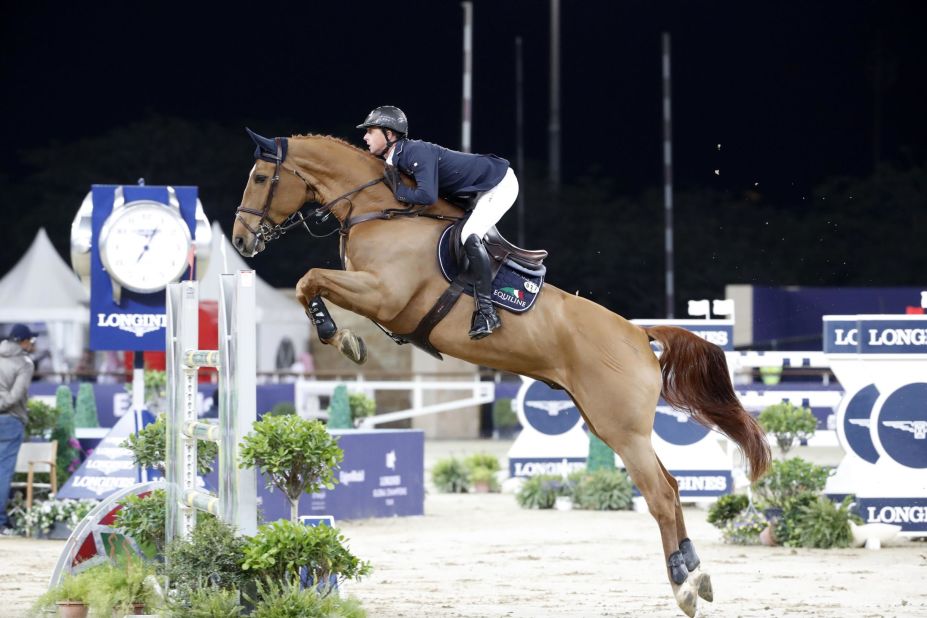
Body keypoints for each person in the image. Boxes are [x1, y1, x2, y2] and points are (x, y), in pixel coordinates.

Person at [357, 105, 518, 340]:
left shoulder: (414, 152)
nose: (365, 136)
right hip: (473, 192)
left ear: (389, 134)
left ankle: (487, 311)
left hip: (497, 184)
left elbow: (426, 197)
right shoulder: (395, 160)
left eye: (370, 131)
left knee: (469, 235)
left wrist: (399, 191)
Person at [0, 324, 37, 534]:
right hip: (10, 419)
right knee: (3, 472)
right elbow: (14, 397)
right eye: (30, 341)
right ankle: (1, 521)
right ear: (22, 341)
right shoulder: (24, 363)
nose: (31, 345)